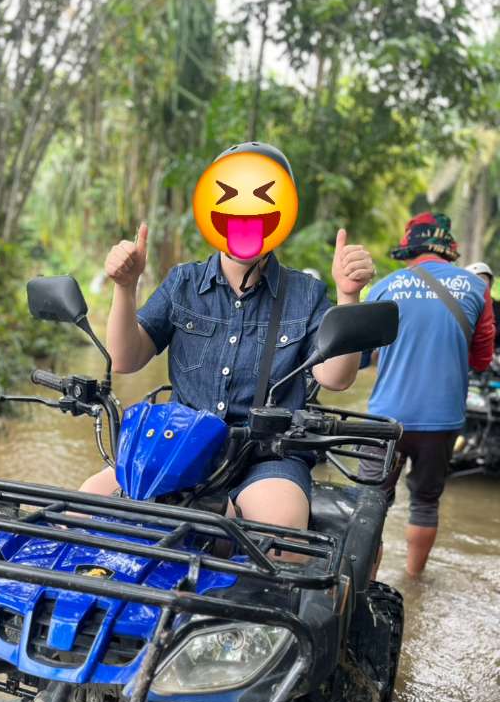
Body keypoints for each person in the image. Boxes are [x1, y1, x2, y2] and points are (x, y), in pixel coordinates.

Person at [80, 143, 376, 531]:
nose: (245, 213)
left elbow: (335, 378)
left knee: (279, 532)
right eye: (231, 197)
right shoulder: (183, 282)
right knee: (80, 506)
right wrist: (125, 286)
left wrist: (349, 295)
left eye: (262, 199)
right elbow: (124, 359)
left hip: (269, 458)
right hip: (178, 443)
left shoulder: (305, 294)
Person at [360, 212, 496, 576]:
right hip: (442, 419)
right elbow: (482, 360)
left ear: (408, 248)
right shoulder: (476, 288)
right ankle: (413, 580)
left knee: (370, 504)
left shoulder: (383, 288)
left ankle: (364, 584)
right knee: (424, 504)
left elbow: (358, 358)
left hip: (386, 419)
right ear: (448, 248)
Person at [465, 260, 500, 348]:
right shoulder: (463, 306)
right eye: (476, 278)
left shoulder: (497, 307)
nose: (480, 283)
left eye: (483, 278)